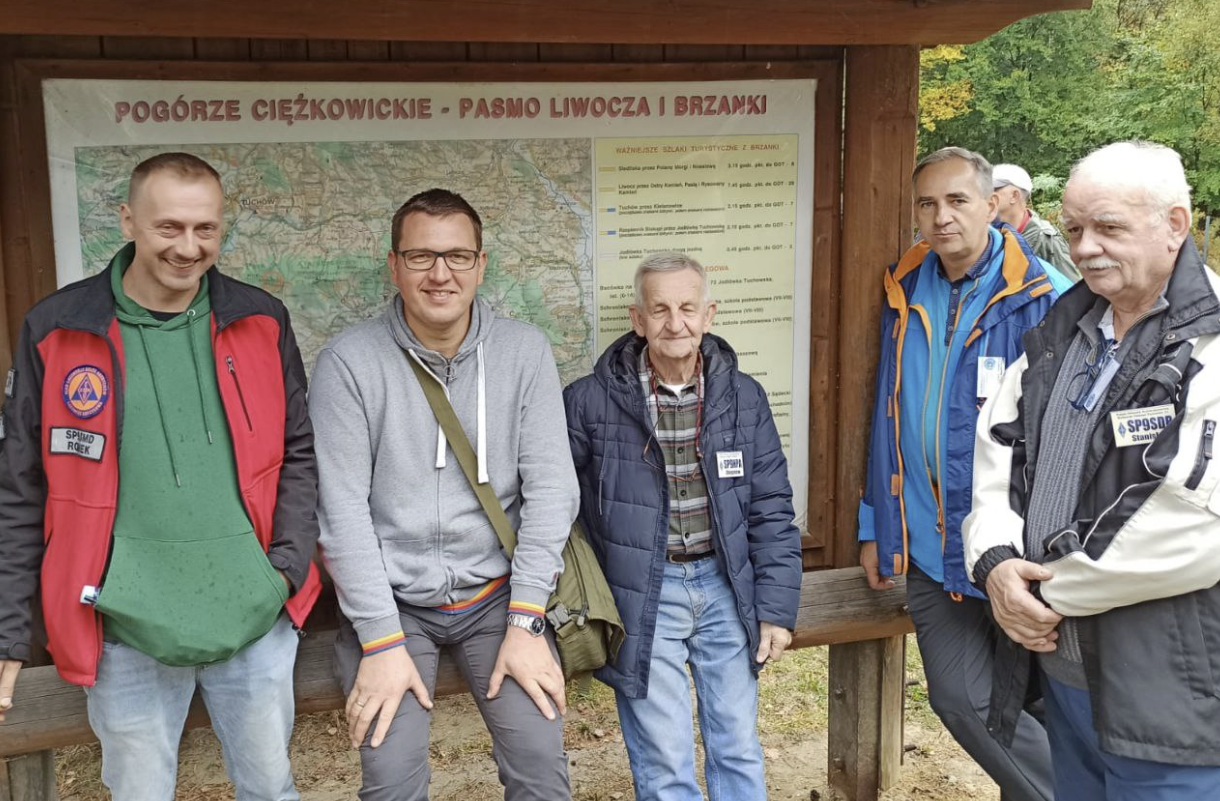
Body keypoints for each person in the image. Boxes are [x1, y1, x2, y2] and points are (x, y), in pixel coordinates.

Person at [0, 152, 322, 800]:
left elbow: (298, 453)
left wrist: (282, 571)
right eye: (168, 227)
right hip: (122, 626)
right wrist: (8, 635)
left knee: (271, 789)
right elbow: (20, 489)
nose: (188, 247)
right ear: (128, 220)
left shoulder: (261, 319)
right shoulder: (58, 330)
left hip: (253, 621)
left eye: (205, 228)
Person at [965, 141, 1220, 800]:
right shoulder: (1068, 326)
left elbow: (1193, 526)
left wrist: (1038, 596)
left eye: (1108, 227)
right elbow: (999, 447)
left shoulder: (1212, 342)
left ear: (1175, 224)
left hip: (1170, 697)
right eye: (1074, 227)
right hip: (1064, 676)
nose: (1084, 247)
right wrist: (995, 561)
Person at [309, 188, 578, 801]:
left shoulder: (524, 352)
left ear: (480, 265)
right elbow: (340, 511)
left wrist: (527, 619)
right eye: (421, 257)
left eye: (457, 256)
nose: (440, 274)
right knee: (391, 779)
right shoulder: (349, 362)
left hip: (498, 598)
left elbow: (552, 489)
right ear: (394, 265)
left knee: (540, 768)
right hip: (395, 605)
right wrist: (380, 639)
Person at [858, 147, 1072, 801]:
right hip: (929, 546)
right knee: (961, 696)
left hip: (1018, 548)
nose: (941, 216)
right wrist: (875, 522)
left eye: (957, 200)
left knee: (1036, 709)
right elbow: (887, 411)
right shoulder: (903, 285)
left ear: (992, 204)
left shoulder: (1047, 297)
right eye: (927, 203)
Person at [564, 251, 803, 800]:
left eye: (688, 308)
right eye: (660, 309)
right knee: (664, 761)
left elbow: (770, 506)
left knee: (737, 747)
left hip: (726, 589)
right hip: (642, 594)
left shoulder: (743, 397)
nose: (676, 323)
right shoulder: (588, 402)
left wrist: (775, 608)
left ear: (708, 313)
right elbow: (558, 505)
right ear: (637, 318)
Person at [993, 163, 1081, 282]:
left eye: (993, 189)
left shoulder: (1045, 240)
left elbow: (1071, 285)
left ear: (1014, 196)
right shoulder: (987, 234)